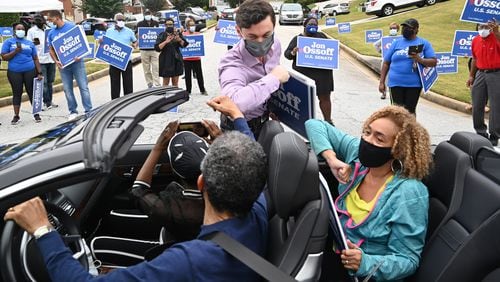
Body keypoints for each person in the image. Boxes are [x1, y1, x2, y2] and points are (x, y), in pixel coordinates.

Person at [4, 125, 268, 280]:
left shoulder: (189, 261)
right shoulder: (259, 211)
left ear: (201, 184)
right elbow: (257, 164)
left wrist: (42, 230)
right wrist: (238, 121)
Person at [305, 105, 432, 281]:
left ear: (397, 150)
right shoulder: (358, 158)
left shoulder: (409, 194)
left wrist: (364, 262)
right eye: (367, 132)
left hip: (364, 276)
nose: (368, 141)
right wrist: (331, 159)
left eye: (379, 139)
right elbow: (315, 124)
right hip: (334, 254)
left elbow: (408, 260)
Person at [218, 0, 290, 138]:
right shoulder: (231, 62)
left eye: (266, 35)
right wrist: (274, 78)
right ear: (239, 31)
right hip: (238, 128)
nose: (261, 42)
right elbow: (234, 103)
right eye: (252, 37)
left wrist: (273, 106)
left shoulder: (276, 45)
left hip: (264, 120)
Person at [378, 18, 437, 115]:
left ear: (416, 29)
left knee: (410, 112)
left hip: (414, 85)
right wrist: (381, 82)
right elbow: (386, 63)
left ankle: (410, 130)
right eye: (404, 27)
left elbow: (433, 62)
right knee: (396, 113)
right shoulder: (396, 43)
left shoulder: (424, 43)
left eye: (408, 27)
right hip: (395, 83)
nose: (405, 29)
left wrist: (419, 59)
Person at [284, 16, 334, 124]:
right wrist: (293, 52)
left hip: (322, 76)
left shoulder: (322, 36)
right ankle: (303, 122)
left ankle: (328, 121)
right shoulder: (297, 39)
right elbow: (287, 54)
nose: (313, 26)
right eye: (310, 24)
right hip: (304, 75)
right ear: (305, 25)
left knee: (325, 98)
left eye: (315, 25)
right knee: (304, 100)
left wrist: (335, 52)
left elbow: (331, 50)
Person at [46, 10, 93, 121]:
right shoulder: (52, 33)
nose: (49, 21)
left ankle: (89, 110)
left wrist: (80, 55)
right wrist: (56, 61)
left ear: (57, 17)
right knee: (67, 89)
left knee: (83, 87)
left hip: (77, 63)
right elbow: (51, 49)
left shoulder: (73, 27)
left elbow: (83, 43)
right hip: (64, 65)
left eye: (50, 19)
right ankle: (73, 111)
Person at [1, 23, 43, 124]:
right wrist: (15, 51)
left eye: (23, 29)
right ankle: (16, 116)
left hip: (30, 70)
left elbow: (35, 58)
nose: (21, 31)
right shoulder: (8, 42)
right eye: (19, 29)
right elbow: (4, 57)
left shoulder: (29, 43)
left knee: (32, 92)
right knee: (17, 93)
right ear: (14, 31)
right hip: (14, 71)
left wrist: (39, 72)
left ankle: (36, 114)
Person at [466, 19, 500, 147]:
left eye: (486, 26)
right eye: (481, 26)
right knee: (477, 103)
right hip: (481, 73)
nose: (483, 29)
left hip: (496, 73)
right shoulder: (475, 40)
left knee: (496, 105)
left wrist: (497, 33)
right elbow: (475, 58)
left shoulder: (496, 38)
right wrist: (471, 75)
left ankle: (494, 134)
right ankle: (480, 132)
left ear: (492, 27)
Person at [27, 14, 58, 111]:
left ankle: (50, 101)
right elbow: (29, 45)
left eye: (40, 19)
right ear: (34, 21)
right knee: (43, 82)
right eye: (37, 20)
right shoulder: (31, 31)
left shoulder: (49, 29)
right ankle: (46, 102)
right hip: (40, 60)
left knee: (50, 82)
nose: (39, 21)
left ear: (44, 20)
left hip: (50, 59)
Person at [104, 13, 137, 100]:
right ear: (115, 21)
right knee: (114, 84)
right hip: (114, 61)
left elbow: (135, 42)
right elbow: (105, 43)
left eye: (123, 20)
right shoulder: (109, 31)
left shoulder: (129, 31)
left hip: (126, 61)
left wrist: (135, 45)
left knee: (128, 84)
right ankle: (115, 102)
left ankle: (128, 102)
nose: (121, 21)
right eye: (119, 20)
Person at [154, 18, 188, 87]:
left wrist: (179, 40)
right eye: (167, 24)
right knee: (165, 83)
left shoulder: (177, 34)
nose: (169, 26)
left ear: (173, 25)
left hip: (176, 60)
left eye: (171, 24)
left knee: (175, 83)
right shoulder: (162, 35)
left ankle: (175, 96)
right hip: (166, 60)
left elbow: (184, 45)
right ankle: (165, 96)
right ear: (165, 25)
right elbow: (157, 48)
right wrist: (166, 41)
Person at [373, 22, 400, 100]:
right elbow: (375, 45)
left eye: (394, 28)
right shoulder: (385, 38)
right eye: (391, 28)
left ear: (397, 29)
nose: (392, 30)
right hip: (385, 61)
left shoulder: (400, 39)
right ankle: (384, 93)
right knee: (384, 77)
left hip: (396, 62)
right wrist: (381, 51)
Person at [136, 9, 161, 88]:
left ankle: (157, 83)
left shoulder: (156, 23)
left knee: (156, 67)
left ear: (151, 14)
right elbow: (137, 34)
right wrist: (138, 35)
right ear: (144, 15)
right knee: (146, 68)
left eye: (149, 14)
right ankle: (149, 83)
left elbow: (159, 34)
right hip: (144, 49)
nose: (148, 15)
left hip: (154, 49)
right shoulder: (140, 24)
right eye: (146, 14)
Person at [182, 18, 207, 95]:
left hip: (196, 58)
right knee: (188, 75)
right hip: (187, 58)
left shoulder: (197, 34)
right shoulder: (184, 35)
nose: (193, 27)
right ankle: (188, 90)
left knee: (199, 74)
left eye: (194, 25)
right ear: (187, 26)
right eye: (191, 25)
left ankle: (202, 89)